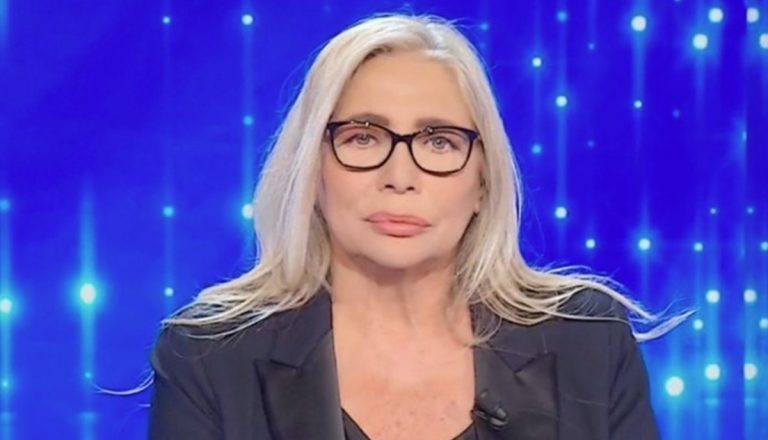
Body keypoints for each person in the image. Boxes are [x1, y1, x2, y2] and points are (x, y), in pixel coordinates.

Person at [148, 13, 691, 440]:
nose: (400, 177)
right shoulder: (211, 356)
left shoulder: (587, 340)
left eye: (439, 142)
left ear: (483, 182)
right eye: (363, 137)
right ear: (312, 170)